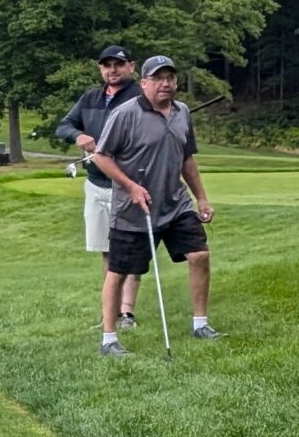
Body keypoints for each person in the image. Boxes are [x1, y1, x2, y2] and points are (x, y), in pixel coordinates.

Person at [91, 53, 219, 352]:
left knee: (199, 255)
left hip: (175, 204)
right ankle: (109, 340)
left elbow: (186, 158)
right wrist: (131, 187)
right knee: (119, 271)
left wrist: (201, 197)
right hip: (133, 209)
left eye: (171, 78)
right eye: (159, 78)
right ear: (144, 82)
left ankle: (200, 324)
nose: (166, 84)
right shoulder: (125, 114)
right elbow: (101, 156)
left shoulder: (182, 112)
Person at [53, 45, 140, 346]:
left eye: (118, 64)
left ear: (131, 66)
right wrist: (79, 136)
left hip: (128, 182)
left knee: (128, 246)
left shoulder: (141, 97)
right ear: (100, 68)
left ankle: (127, 313)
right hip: (96, 182)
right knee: (107, 249)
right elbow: (63, 125)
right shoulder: (90, 98)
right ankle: (112, 313)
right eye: (107, 65)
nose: (112, 70)